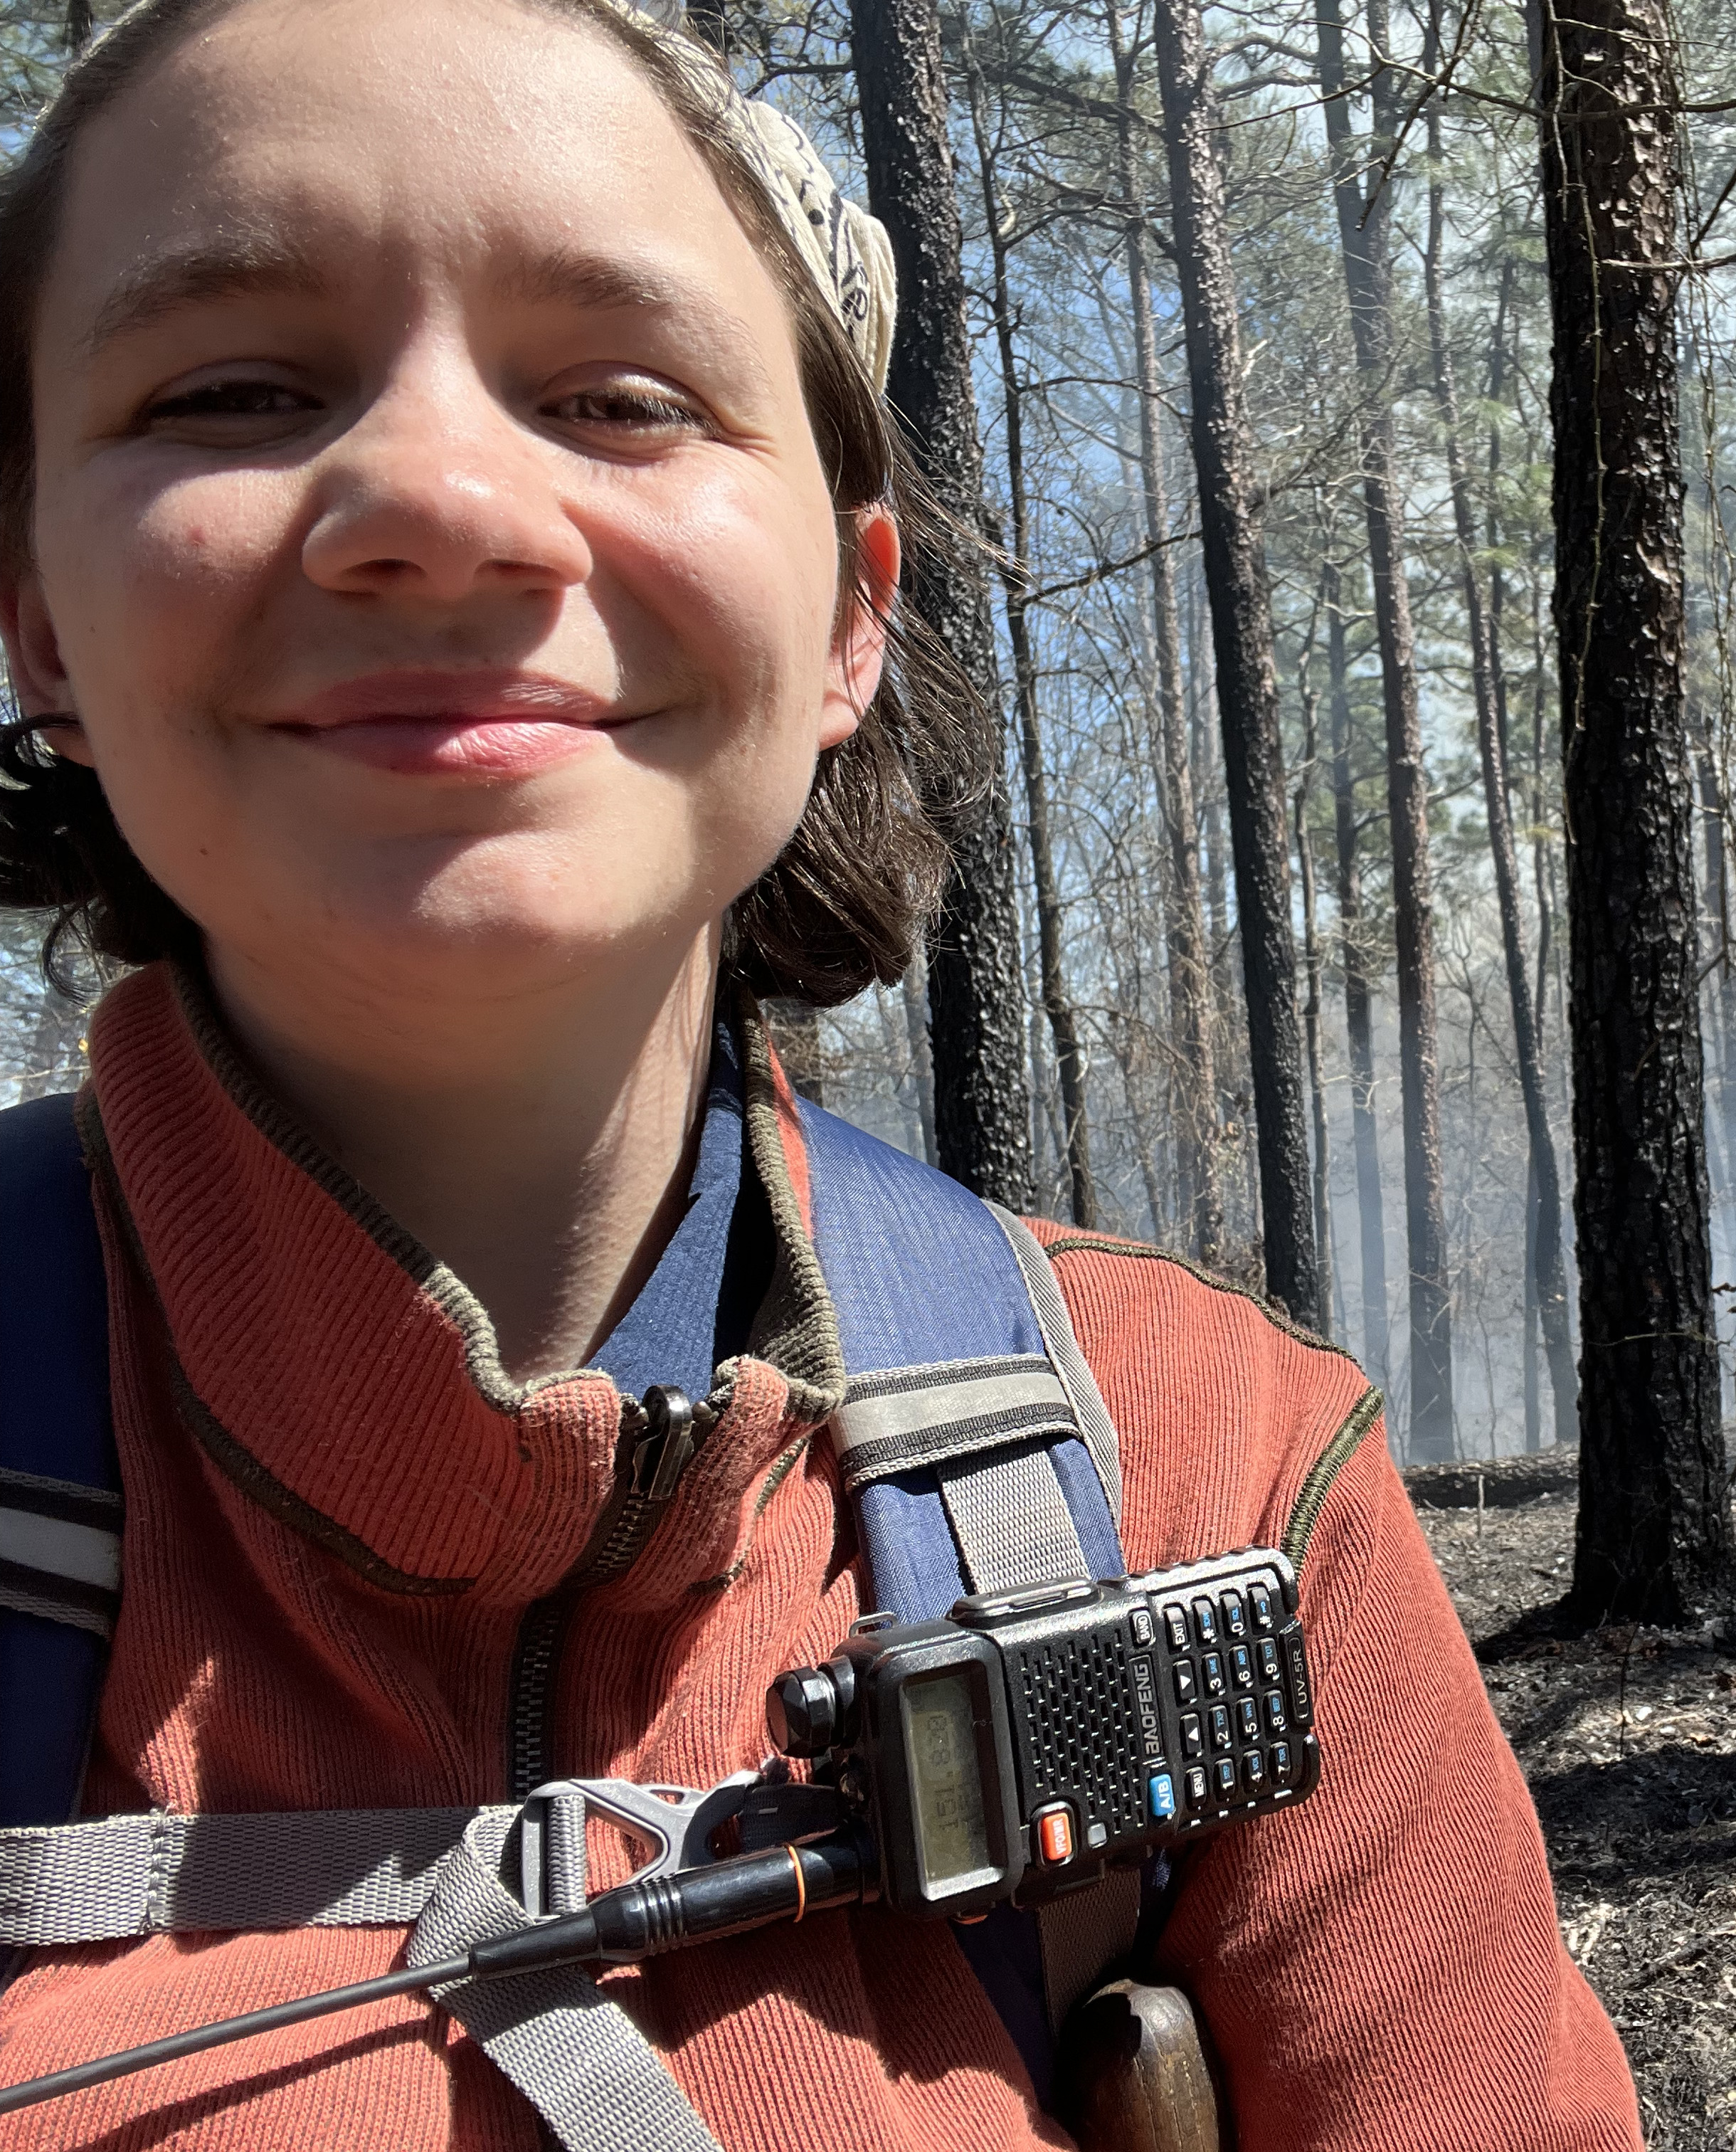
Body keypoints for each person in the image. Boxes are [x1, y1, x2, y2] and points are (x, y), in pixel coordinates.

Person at [0, 1, 1644, 2144]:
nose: (437, 499)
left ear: (853, 619)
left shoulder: (1210, 1486)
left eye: (622, 397)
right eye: (230, 390)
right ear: (37, 613)